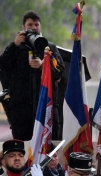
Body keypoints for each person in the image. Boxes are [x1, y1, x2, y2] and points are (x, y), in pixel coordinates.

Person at [0, 11, 65, 141]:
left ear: (40, 27)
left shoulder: (49, 48)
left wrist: (43, 65)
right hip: (21, 111)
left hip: (47, 109)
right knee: (23, 147)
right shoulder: (16, 49)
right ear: (23, 27)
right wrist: (15, 45)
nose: (34, 28)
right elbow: (3, 65)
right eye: (30, 25)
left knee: (49, 147)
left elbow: (60, 71)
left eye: (36, 24)